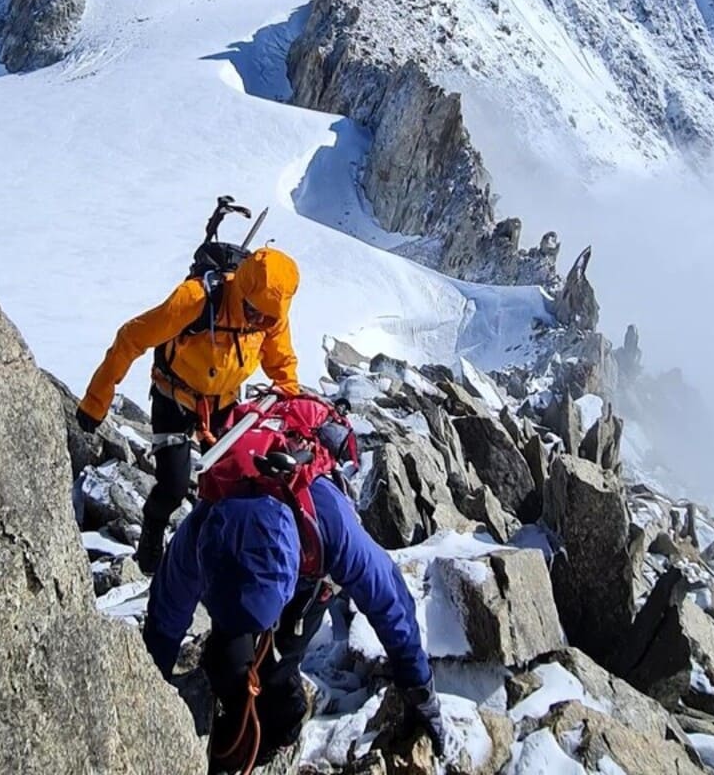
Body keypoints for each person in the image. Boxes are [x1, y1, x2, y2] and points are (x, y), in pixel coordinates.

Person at [142, 475, 447, 772]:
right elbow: (164, 621)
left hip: (307, 585)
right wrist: (144, 693)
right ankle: (235, 737)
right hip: (263, 577)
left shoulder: (332, 527)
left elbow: (391, 605)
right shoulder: (201, 531)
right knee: (224, 665)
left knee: (277, 675)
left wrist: (419, 688)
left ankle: (280, 732)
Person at [76, 246, 302, 572]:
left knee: (233, 477)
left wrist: (289, 394)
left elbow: (281, 361)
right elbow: (132, 337)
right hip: (175, 397)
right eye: (254, 312)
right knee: (174, 484)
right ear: (242, 290)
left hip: (223, 401)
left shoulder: (270, 317)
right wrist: (97, 400)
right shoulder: (196, 299)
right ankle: (153, 529)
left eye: (268, 318)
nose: (260, 322)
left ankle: (211, 544)